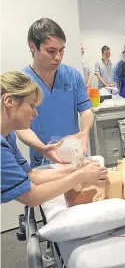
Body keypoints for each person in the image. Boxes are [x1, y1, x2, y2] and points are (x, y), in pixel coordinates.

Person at [1, 71, 107, 207]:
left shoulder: (8, 136)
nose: (35, 113)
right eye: (32, 105)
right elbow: (32, 197)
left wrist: (77, 168)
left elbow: (32, 176)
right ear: (9, 101)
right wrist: (79, 176)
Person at [17, 18, 94, 168]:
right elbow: (21, 128)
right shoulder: (23, 83)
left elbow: (86, 112)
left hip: (75, 156)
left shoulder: (72, 76)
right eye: (51, 51)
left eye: (61, 50)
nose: (58, 57)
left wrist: (85, 132)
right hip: (44, 161)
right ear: (33, 47)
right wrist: (42, 148)